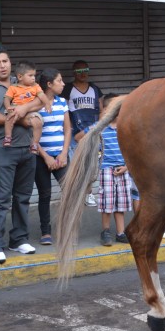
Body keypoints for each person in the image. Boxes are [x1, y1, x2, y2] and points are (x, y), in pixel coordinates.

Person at [0, 45, 38, 264]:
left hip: (28, 148)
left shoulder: (22, 83)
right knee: (1, 199)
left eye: (5, 61)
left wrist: (26, 108)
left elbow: (39, 99)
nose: (2, 65)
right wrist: (19, 118)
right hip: (3, 148)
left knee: (23, 197)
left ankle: (19, 239)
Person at [34, 67, 72, 246]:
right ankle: (45, 232)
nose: (63, 84)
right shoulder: (35, 104)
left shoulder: (63, 102)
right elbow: (31, 135)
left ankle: (67, 229)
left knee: (70, 192)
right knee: (45, 194)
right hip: (41, 158)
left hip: (61, 156)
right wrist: (46, 157)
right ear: (49, 84)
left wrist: (64, 153)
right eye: (59, 81)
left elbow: (67, 129)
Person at [62, 59, 104, 205]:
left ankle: (88, 194)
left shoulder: (95, 89)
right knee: (75, 165)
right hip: (75, 134)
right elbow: (64, 111)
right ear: (74, 73)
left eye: (85, 70)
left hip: (92, 132)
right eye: (79, 71)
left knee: (90, 165)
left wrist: (99, 127)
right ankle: (75, 196)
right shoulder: (68, 89)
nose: (83, 74)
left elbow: (101, 110)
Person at [98, 94, 131, 246]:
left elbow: (132, 152)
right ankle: (105, 231)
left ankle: (120, 232)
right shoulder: (101, 130)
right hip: (106, 170)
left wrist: (126, 167)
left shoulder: (125, 129)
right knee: (108, 203)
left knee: (121, 204)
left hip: (123, 169)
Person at [3, 61, 48, 151]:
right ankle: (8, 137)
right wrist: (8, 108)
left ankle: (35, 144)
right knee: (8, 119)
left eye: (34, 75)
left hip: (30, 111)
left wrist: (47, 104)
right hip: (15, 107)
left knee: (38, 123)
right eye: (30, 75)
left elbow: (42, 96)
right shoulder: (13, 87)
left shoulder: (35, 86)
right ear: (20, 77)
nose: (33, 78)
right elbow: (6, 99)